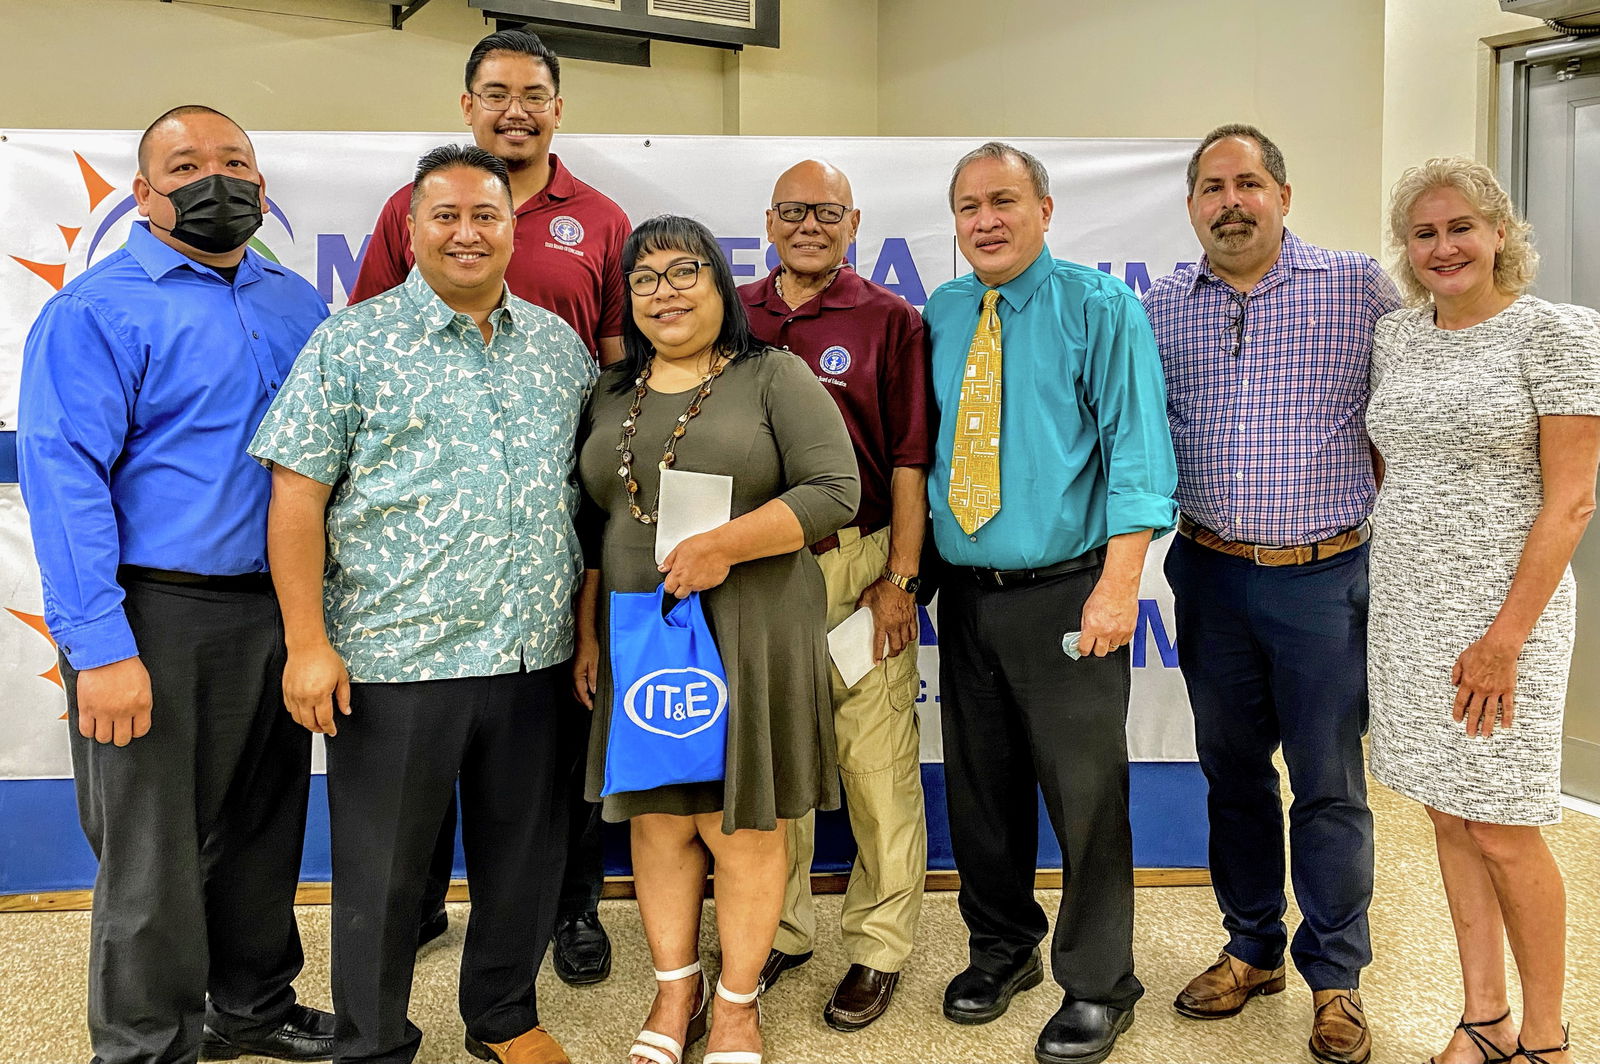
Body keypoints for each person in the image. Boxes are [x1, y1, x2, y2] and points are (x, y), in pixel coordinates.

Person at [250, 144, 597, 1064]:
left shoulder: (559, 350)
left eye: (485, 214)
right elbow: (296, 500)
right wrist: (306, 644)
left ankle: (505, 1018)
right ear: (410, 230)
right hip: (396, 660)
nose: (466, 232)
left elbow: (582, 494)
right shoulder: (352, 341)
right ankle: (371, 1040)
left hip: (532, 654)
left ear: (513, 228)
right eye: (444, 215)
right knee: (387, 879)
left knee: (522, 863)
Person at [16, 104, 334, 1064]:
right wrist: (102, 648)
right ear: (144, 194)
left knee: (261, 830)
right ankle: (148, 1043)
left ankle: (253, 1006)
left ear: (263, 185)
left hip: (280, 610)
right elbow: (63, 480)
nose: (216, 179)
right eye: (187, 165)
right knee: (152, 857)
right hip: (154, 611)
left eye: (235, 161)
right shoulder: (95, 310)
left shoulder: (296, 303)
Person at [348, 25, 630, 983]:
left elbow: (623, 358)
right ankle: (421, 906)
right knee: (420, 750)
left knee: (557, 733)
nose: (517, 108)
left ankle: (572, 911)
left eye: (534, 93)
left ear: (559, 108)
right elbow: (373, 339)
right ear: (467, 105)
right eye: (497, 92)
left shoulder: (599, 216)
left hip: (559, 501)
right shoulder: (414, 206)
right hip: (429, 535)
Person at [571, 214, 858, 1064]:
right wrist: (590, 633)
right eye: (646, 277)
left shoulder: (775, 374)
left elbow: (836, 490)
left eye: (685, 271)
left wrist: (723, 545)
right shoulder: (611, 390)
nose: (666, 291)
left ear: (720, 286)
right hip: (637, 627)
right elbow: (595, 520)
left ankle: (736, 1004)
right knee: (658, 818)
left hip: (750, 625)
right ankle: (675, 993)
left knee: (742, 825)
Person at [1141, 124, 1400, 1064]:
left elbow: (1396, 418)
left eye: (1247, 183)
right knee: (1235, 774)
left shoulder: (1358, 287)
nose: (1230, 202)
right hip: (1208, 572)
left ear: (1283, 194)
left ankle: (1336, 978)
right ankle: (1252, 949)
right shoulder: (1164, 305)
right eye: (1211, 187)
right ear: (1192, 206)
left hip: (1323, 579)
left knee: (1329, 786)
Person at [924, 141, 1176, 1064]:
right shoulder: (944, 312)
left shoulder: (1098, 307)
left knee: (1086, 795)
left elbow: (1138, 454)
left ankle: (1101, 982)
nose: (985, 221)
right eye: (967, 207)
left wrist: (1119, 587)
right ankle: (1002, 948)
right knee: (983, 789)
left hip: (1071, 592)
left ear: (1044, 209)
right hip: (966, 592)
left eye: (1003, 201)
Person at [1366, 157, 1599, 1064]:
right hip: (1408, 608)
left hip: (1508, 620)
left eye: (1461, 226)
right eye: (1423, 233)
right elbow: (1400, 462)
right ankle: (1483, 1016)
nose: (1443, 246)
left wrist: (1504, 640)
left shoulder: (1559, 334)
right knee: (1446, 813)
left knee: (1503, 825)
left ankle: (1545, 1034)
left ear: (1501, 232)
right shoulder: (1399, 338)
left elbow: (1573, 500)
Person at [736, 160, 932, 1031]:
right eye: (792, 211)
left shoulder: (890, 320)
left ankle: (879, 947)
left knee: (876, 764)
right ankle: (778, 928)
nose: (808, 224)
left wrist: (900, 582)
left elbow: (908, 462)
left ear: (855, 222)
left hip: (855, 565)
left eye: (826, 212)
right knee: (772, 765)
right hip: (754, 568)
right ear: (768, 221)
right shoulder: (732, 312)